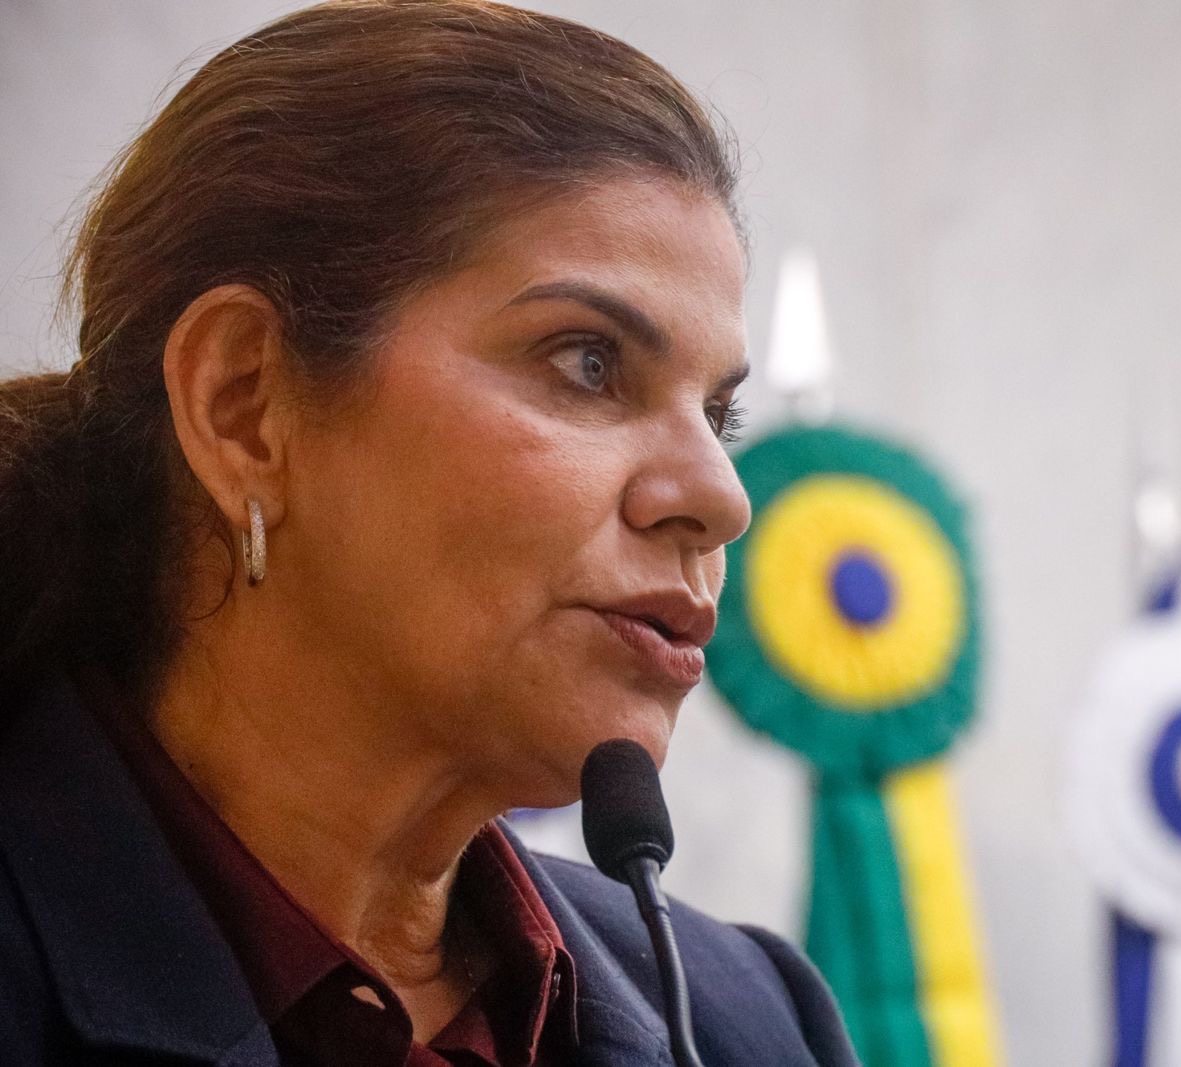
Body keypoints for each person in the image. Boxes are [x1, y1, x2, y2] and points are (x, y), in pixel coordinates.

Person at [0, 2, 858, 1064]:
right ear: (245, 407)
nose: (722, 497)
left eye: (717, 414)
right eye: (588, 363)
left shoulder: (752, 1020)